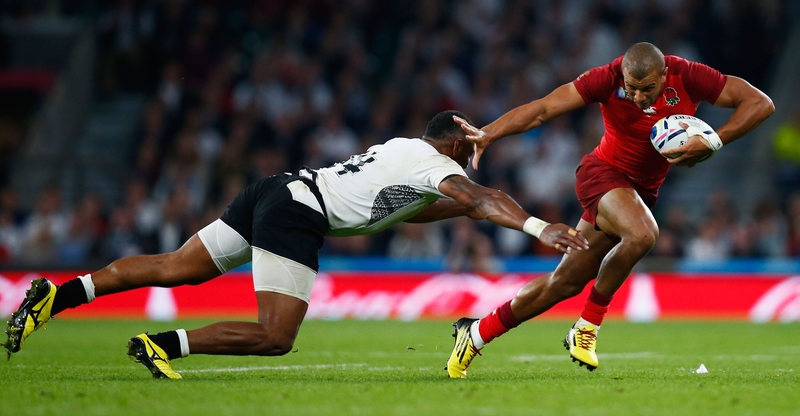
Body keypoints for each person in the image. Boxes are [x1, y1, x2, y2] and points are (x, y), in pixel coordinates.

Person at [4, 110, 588, 380]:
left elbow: (431, 206)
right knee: (276, 336)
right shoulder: (433, 160)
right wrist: (539, 228)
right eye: (472, 142)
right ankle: (164, 346)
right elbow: (479, 195)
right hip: (297, 214)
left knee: (176, 267)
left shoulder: (402, 152)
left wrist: (471, 202)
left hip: (276, 190)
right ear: (455, 143)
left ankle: (57, 296)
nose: (476, 148)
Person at [446, 42, 774, 378]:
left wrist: (714, 140)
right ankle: (587, 327)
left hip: (640, 192)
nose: (638, 97)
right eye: (631, 88)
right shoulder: (605, 77)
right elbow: (544, 108)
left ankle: (475, 333)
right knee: (644, 234)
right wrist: (490, 132)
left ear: (664, 76)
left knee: (564, 282)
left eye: (647, 89)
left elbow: (761, 103)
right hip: (602, 174)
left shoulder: (688, 75)